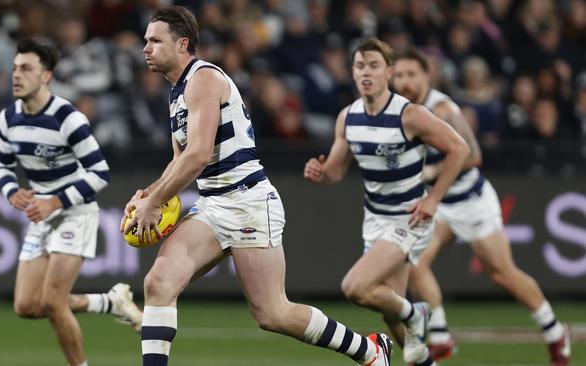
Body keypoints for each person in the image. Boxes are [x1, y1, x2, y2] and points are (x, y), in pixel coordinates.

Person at [120, 6, 393, 366]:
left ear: (182, 43)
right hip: (213, 205)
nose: (146, 47)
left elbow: (199, 154)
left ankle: (370, 350)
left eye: (155, 40)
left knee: (273, 313)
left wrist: (156, 200)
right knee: (159, 282)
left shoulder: (202, 78)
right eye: (145, 41)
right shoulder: (176, 93)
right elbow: (179, 160)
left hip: (248, 201)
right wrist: (148, 195)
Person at [393, 49, 571, 365]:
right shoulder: (402, 110)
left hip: (470, 200)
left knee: (501, 273)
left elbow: (473, 155)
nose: (405, 81)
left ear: (426, 76)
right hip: (440, 205)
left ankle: (554, 330)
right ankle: (440, 335)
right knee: (413, 261)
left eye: (411, 75)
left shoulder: (443, 109)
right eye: (400, 75)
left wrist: (432, 172)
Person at [303, 37, 470, 366]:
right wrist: (321, 173)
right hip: (375, 220)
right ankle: (420, 344)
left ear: (389, 72)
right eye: (360, 65)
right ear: (352, 72)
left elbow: (460, 149)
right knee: (389, 313)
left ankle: (417, 312)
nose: (367, 72)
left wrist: (434, 199)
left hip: (408, 218)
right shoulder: (347, 118)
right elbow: (336, 171)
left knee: (354, 287)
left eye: (374, 65)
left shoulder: (410, 115)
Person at [0, 38, 142, 366]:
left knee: (53, 302)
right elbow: (3, 165)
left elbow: (100, 172)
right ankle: (111, 302)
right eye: (15, 68)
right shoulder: (8, 119)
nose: (16, 75)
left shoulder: (67, 118)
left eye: (26, 68)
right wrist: (11, 190)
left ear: (46, 76)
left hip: (74, 212)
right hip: (41, 216)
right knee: (27, 306)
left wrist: (56, 201)